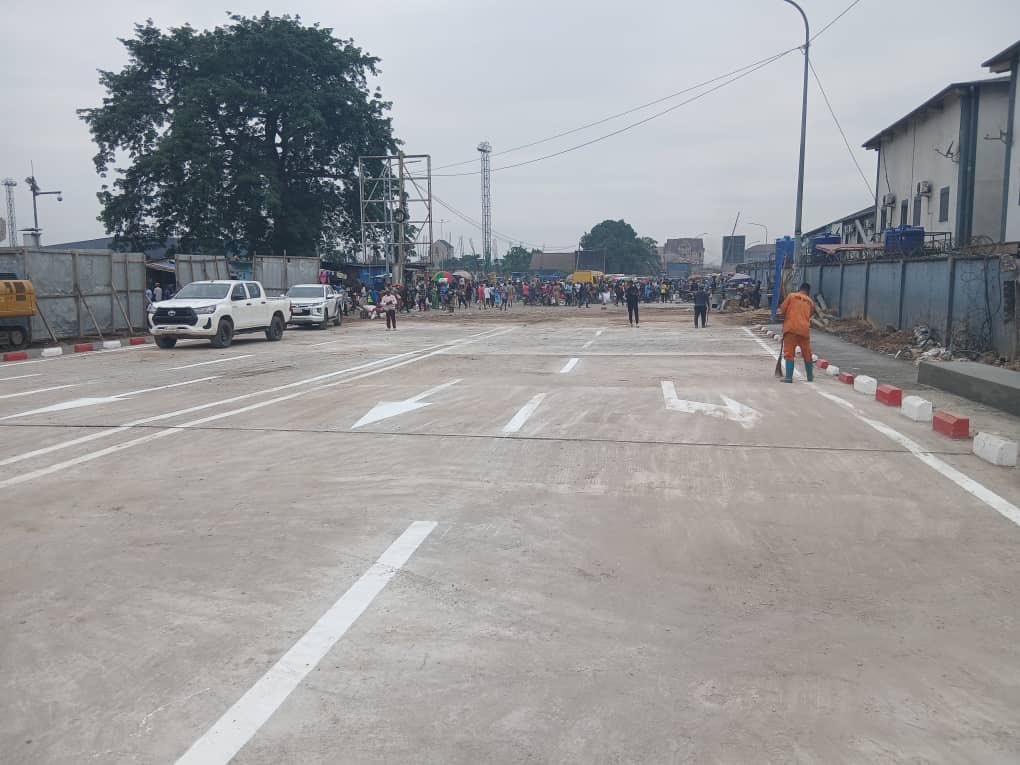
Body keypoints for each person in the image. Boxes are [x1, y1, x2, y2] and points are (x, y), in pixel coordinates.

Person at [777, 282, 815, 383]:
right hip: (804, 330)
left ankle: (789, 377)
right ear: (808, 291)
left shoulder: (791, 296)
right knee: (807, 353)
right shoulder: (810, 302)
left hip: (791, 328)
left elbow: (782, 310)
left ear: (800, 288)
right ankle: (810, 377)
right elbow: (809, 314)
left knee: (789, 353)